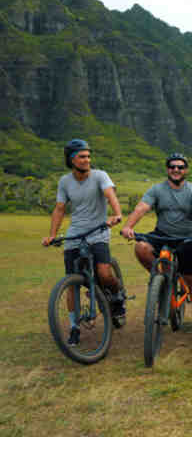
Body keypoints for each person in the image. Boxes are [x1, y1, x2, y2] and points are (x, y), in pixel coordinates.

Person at [42, 139, 125, 345]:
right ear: (72, 160)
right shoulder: (64, 181)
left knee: (105, 274)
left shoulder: (100, 176)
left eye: (88, 156)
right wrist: (52, 234)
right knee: (72, 283)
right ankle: (74, 327)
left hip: (98, 232)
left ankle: (117, 296)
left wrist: (117, 214)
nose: (87, 160)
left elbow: (110, 194)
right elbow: (60, 208)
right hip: (75, 233)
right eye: (82, 156)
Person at [121, 153, 192, 341]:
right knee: (141, 247)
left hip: (187, 238)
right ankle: (160, 278)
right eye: (172, 167)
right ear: (167, 169)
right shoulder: (156, 190)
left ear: (185, 170)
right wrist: (128, 226)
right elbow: (142, 208)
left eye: (180, 167)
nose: (176, 170)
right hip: (162, 235)